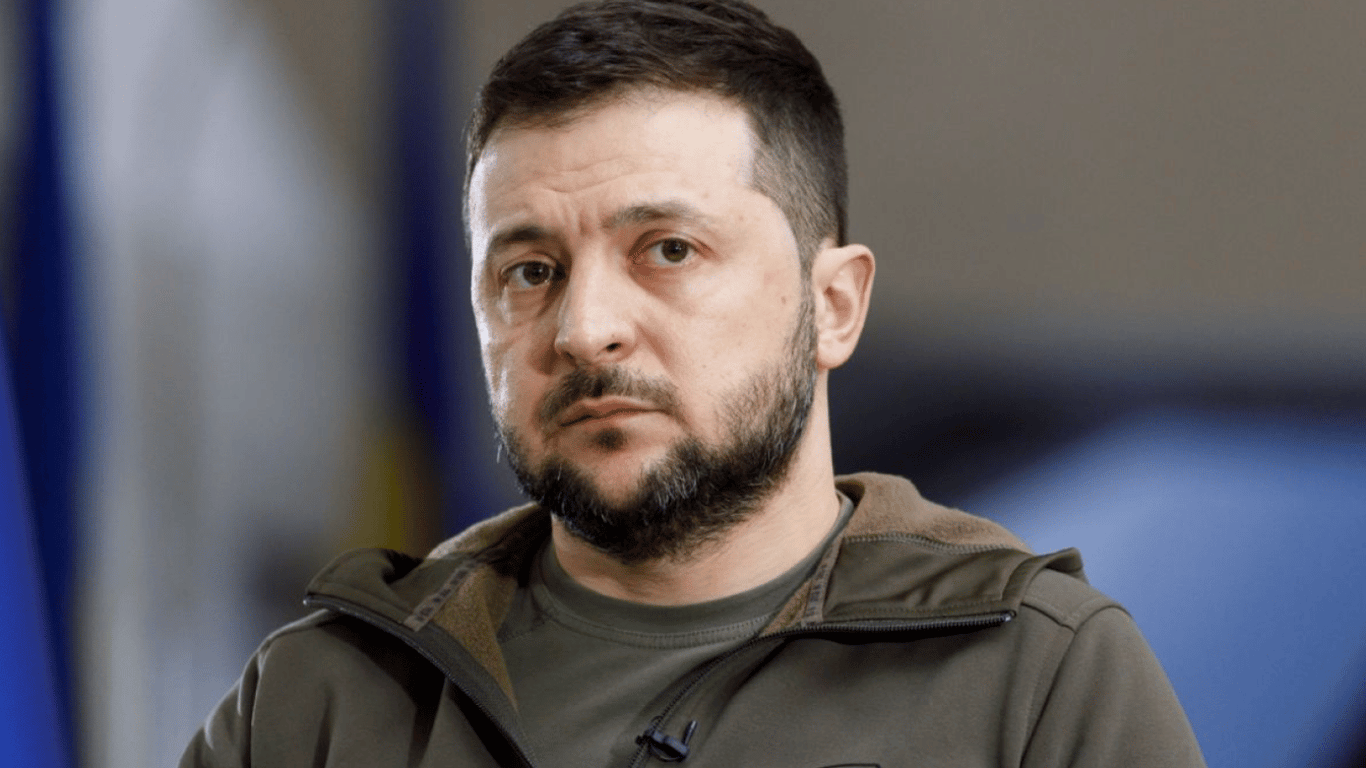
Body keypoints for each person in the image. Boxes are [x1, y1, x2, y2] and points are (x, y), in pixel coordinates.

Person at [182, 1, 1205, 765]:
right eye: (530, 272)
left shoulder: (1037, 677)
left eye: (668, 250)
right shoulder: (325, 696)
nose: (585, 329)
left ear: (834, 306)